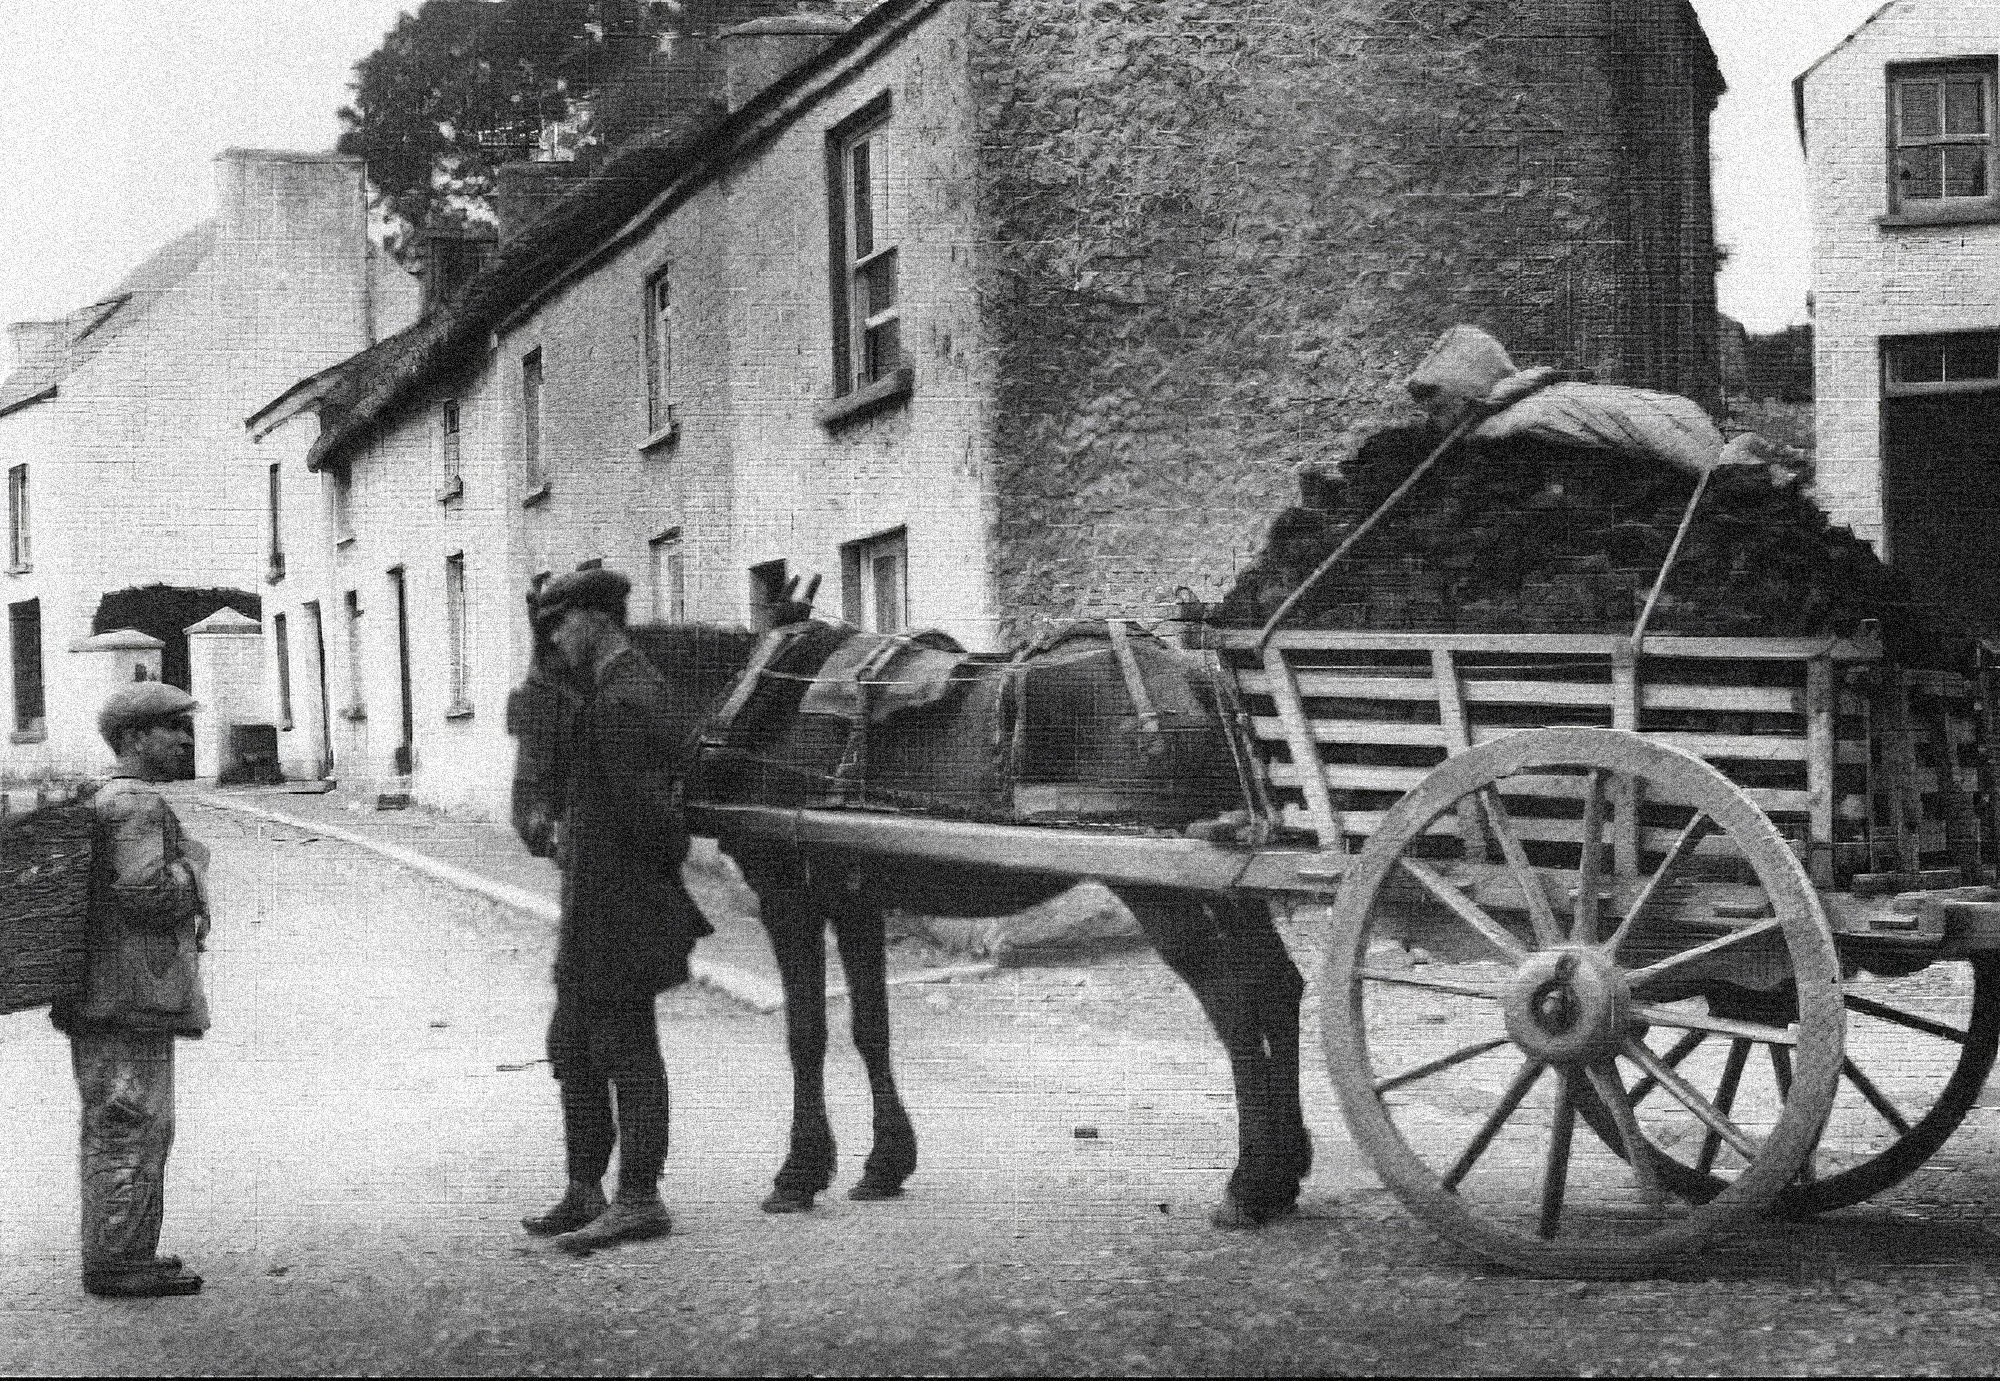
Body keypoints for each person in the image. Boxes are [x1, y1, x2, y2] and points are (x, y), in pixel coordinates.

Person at [519, 567, 714, 1254]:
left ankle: (640, 1197)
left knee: (628, 1049)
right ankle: (584, 1188)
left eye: (560, 623)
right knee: (571, 1043)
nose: (555, 638)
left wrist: (599, 840)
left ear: (596, 618)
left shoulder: (625, 698)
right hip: (594, 904)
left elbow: (660, 822)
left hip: (623, 908)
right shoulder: (608, 692)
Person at [50, 683, 210, 1299]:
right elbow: (144, 891)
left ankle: (122, 1251)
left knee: (121, 1120)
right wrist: (193, 870)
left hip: (102, 992)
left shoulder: (104, 793)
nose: (187, 741)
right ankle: (119, 1262)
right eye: (175, 729)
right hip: (129, 994)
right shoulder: (136, 803)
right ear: (136, 738)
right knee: (132, 1122)